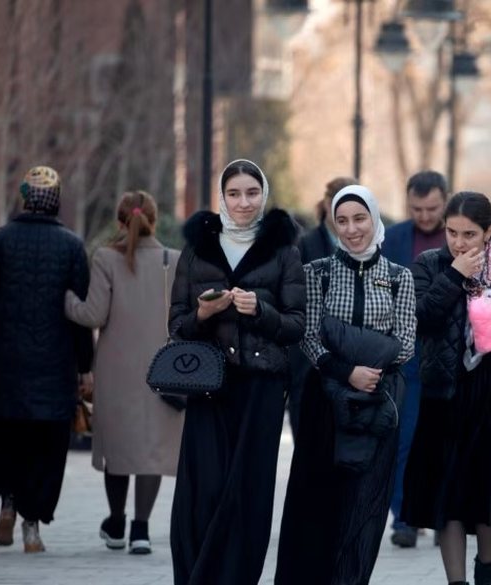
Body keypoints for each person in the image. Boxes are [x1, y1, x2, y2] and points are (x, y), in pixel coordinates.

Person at [168, 159, 305, 584]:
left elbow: (296, 325)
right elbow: (176, 324)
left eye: (251, 193)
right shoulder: (198, 247)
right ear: (221, 198)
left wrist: (260, 311)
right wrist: (204, 313)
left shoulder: (283, 248)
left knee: (248, 492)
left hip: (261, 387)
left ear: (263, 194)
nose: (243, 202)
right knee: (201, 490)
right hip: (208, 384)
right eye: (234, 193)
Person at [402, 191, 491, 585]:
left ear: (489, 232)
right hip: (445, 390)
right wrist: (455, 275)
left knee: (490, 489)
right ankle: (456, 580)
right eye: (452, 232)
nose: (459, 242)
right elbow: (419, 319)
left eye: (469, 233)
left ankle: (487, 567)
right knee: (447, 491)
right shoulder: (431, 265)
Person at [275, 184, 416, 585]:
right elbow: (309, 337)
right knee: (318, 503)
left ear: (374, 218)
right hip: (325, 402)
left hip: (379, 402)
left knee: (365, 506)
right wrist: (347, 369)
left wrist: (359, 360)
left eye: (359, 218)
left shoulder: (398, 277)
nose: (352, 229)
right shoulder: (316, 272)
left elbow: (406, 342)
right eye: (342, 221)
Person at [0, 166, 93, 553]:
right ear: (56, 200)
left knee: (8, 437)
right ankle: (32, 527)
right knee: (46, 447)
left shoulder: (0, 240)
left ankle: (7, 504)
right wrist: (86, 367)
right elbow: (80, 315)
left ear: (24, 197)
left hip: (9, 363)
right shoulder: (72, 246)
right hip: (56, 365)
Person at [63, 191, 184, 554]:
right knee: (150, 450)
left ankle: (115, 522)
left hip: (115, 370)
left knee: (119, 448)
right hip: (161, 371)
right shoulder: (174, 260)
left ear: (120, 222)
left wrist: (66, 298)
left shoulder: (105, 258)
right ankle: (141, 530)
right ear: (155, 219)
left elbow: (92, 315)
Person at [381, 170, 449, 548]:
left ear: (446, 201)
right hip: (406, 354)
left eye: (432, 208)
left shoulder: (460, 236)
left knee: (444, 440)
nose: (425, 215)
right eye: (417, 208)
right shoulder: (393, 239)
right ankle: (405, 518)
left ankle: (442, 515)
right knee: (404, 439)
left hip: (450, 357)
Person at [288, 176, 357, 436]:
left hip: (350, 351)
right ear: (327, 204)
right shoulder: (305, 244)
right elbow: (294, 293)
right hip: (308, 354)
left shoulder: (365, 243)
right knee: (307, 433)